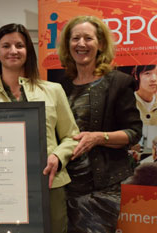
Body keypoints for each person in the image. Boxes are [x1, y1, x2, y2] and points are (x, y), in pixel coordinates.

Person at [0, 23, 80, 233]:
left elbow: (71, 136)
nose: (13, 51)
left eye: (19, 45)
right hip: (2, 187)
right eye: (6, 46)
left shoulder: (53, 90)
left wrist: (57, 156)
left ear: (28, 51)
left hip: (50, 183)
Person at [57, 15, 143, 233]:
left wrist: (98, 137)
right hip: (64, 186)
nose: (81, 44)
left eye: (88, 38)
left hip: (103, 188)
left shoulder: (119, 83)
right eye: (75, 38)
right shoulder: (59, 86)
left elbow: (133, 133)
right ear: (68, 44)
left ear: (101, 44)